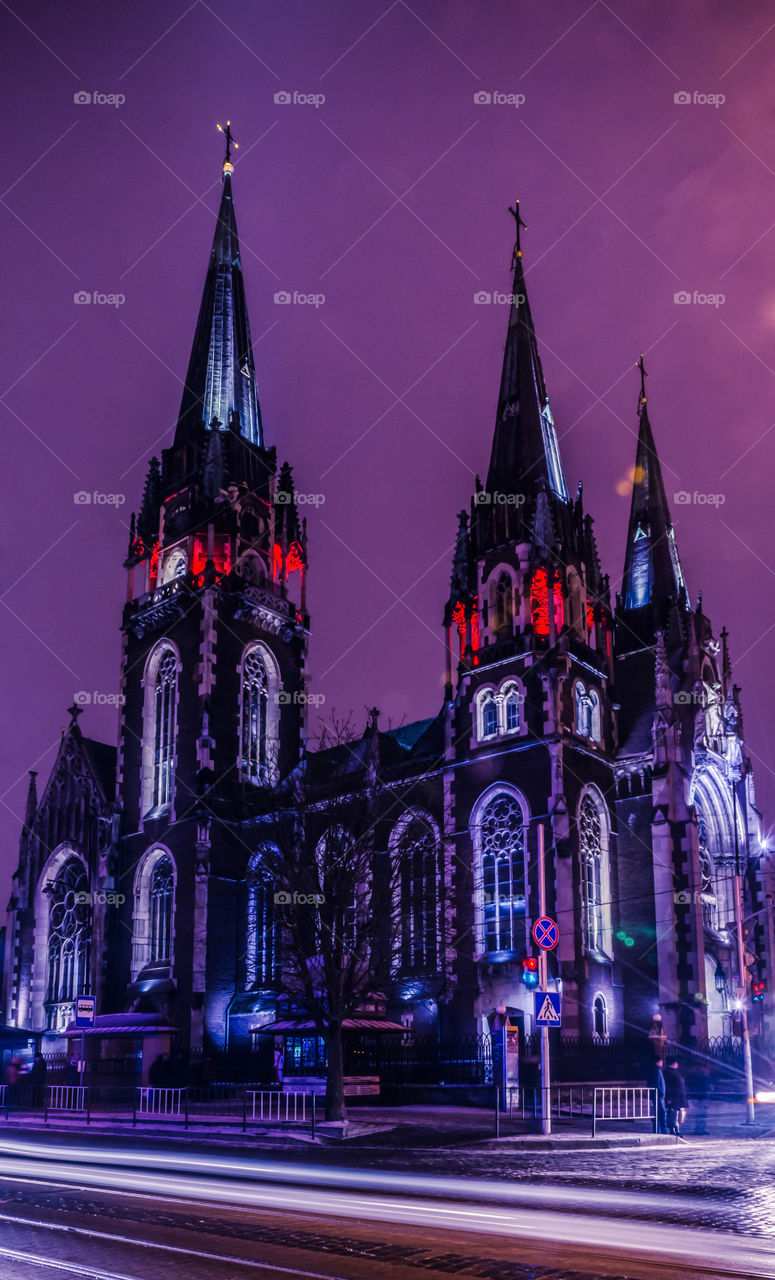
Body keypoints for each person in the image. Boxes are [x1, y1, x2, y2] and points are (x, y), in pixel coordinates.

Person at [664, 1056, 688, 1138]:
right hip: (674, 1098)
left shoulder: (675, 1072)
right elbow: (668, 1086)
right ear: (673, 1063)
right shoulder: (669, 1072)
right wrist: (669, 1098)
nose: (677, 1064)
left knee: (677, 1114)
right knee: (673, 1115)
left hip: (678, 1097)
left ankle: (676, 1129)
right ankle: (674, 1130)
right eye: (676, 1063)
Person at [652, 1057, 668, 1133]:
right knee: (662, 1113)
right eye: (661, 1061)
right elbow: (657, 1083)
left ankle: (657, 1130)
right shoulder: (656, 1070)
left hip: (658, 1095)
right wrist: (661, 1092)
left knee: (658, 1113)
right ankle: (663, 1129)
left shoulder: (656, 1069)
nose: (662, 1063)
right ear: (658, 1062)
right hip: (658, 1096)